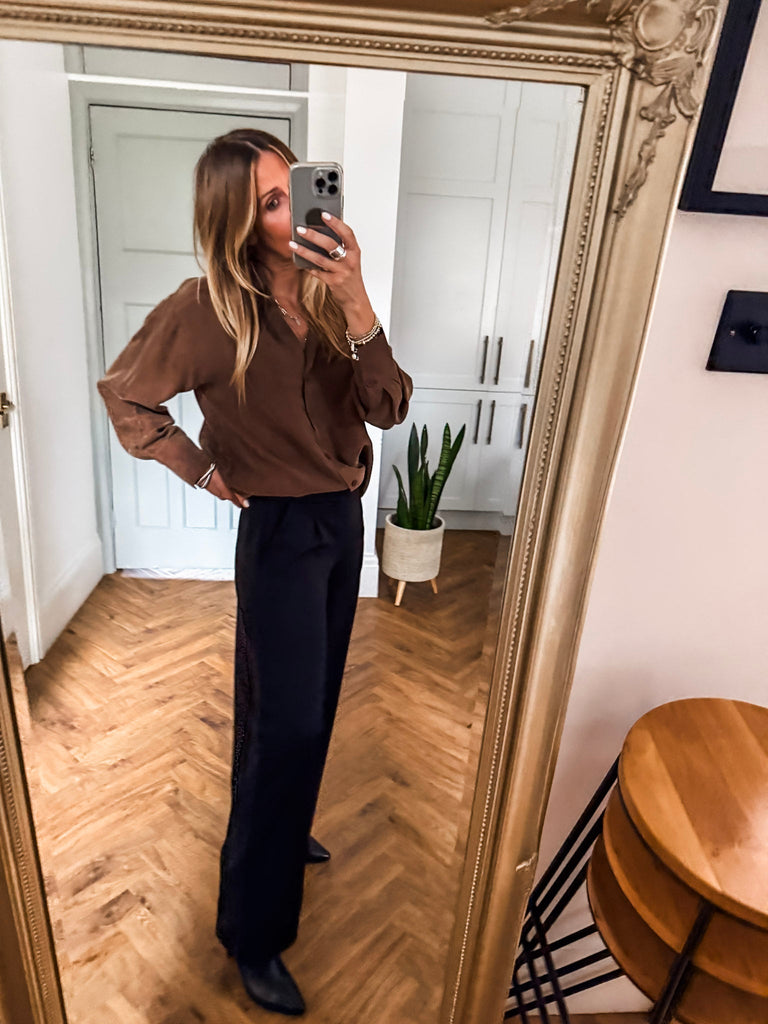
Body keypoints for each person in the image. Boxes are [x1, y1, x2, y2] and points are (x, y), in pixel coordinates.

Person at [97, 128, 413, 1016]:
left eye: (293, 191)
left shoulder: (331, 298)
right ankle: (254, 931)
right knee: (286, 726)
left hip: (339, 521)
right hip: (275, 532)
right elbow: (126, 393)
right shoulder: (204, 310)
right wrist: (200, 469)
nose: (292, 214)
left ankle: (285, 829)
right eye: (271, 203)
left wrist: (357, 300)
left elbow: (388, 407)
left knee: (308, 703)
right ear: (236, 221)